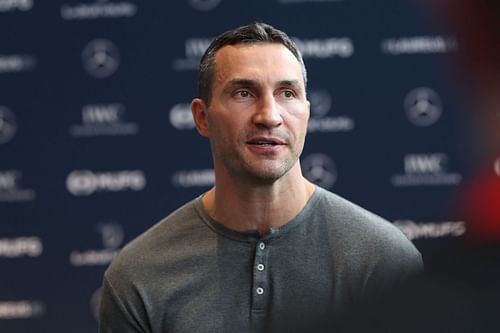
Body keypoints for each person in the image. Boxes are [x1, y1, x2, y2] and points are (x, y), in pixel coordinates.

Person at [99, 22, 423, 333]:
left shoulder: (385, 261)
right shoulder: (139, 276)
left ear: (307, 113)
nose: (269, 116)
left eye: (287, 93)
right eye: (243, 93)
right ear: (202, 117)